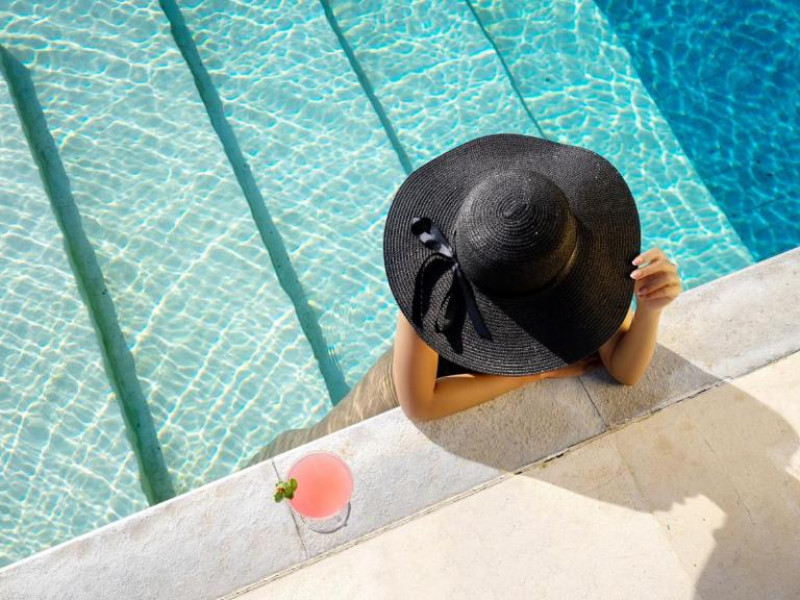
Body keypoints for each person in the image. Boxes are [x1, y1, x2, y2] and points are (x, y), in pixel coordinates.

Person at [244, 133, 682, 466]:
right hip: (396, 389)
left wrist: (648, 309)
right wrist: (536, 374)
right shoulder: (434, 279)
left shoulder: (561, 261)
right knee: (316, 446)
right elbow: (419, 402)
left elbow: (624, 370)